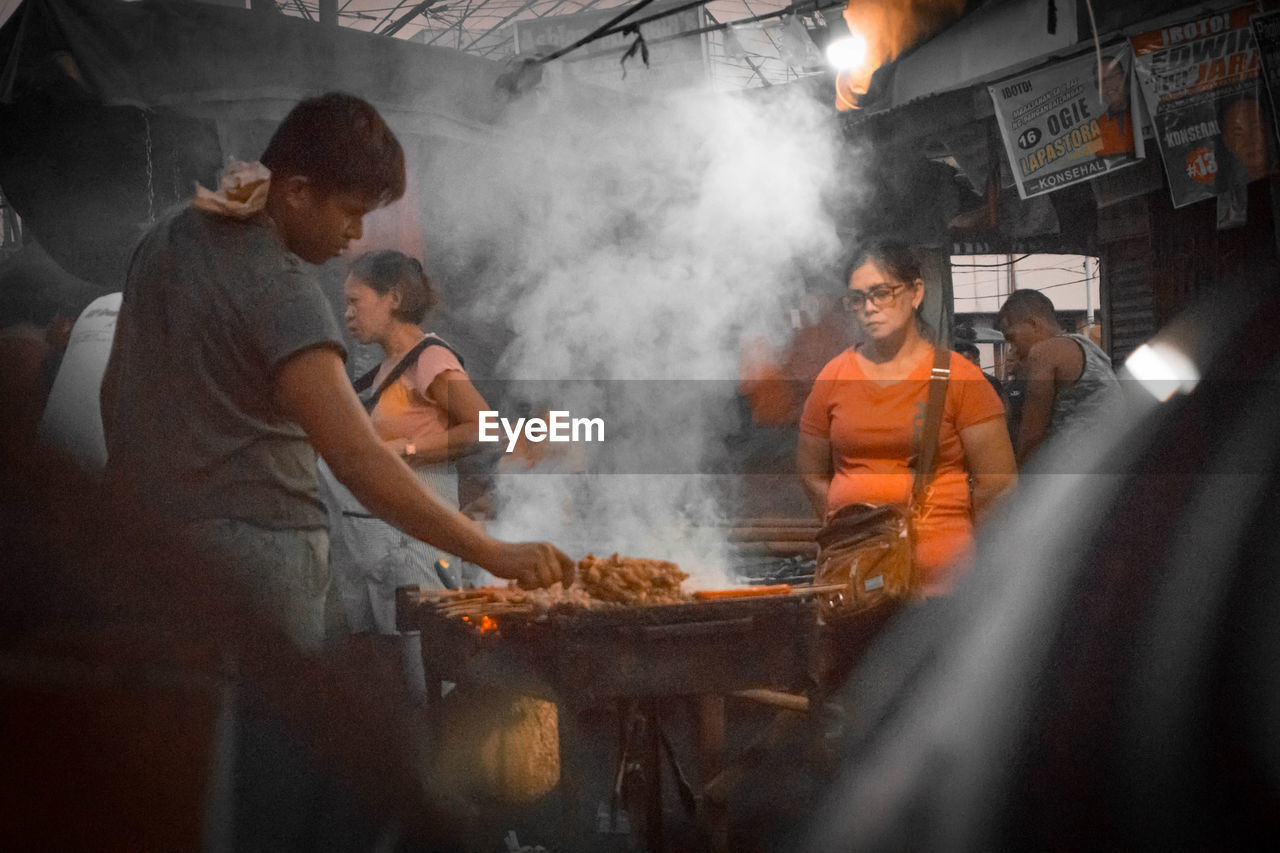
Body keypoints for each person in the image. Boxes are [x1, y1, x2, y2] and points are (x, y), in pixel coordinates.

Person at [100, 92, 573, 655]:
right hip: (258, 559)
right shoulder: (281, 288)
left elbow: (114, 396)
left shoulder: (166, 237)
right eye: (350, 212)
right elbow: (356, 458)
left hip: (140, 544)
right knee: (261, 737)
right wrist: (495, 553)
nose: (355, 236)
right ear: (297, 192)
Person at [797, 241, 1016, 596]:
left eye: (881, 293)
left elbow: (998, 486)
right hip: (852, 588)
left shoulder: (960, 379)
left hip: (941, 587)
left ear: (916, 293)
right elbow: (810, 473)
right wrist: (853, 527)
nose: (869, 308)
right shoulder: (832, 377)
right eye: (857, 299)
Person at [320, 249, 491, 674]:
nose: (347, 314)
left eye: (355, 301)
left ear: (392, 298)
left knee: (426, 671)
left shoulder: (431, 358)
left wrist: (406, 452)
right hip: (380, 550)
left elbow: (484, 427)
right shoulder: (384, 370)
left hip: (417, 548)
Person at [996, 288, 1123, 466]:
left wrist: (1017, 485)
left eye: (1012, 337)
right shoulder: (1086, 347)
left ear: (1033, 324)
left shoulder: (1045, 352)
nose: (1013, 347)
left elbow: (1032, 436)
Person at [1094, 55, 1136, 160]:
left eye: (1111, 76)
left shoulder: (1145, 108)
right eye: (1100, 81)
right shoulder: (1099, 126)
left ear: (1125, 77)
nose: (1107, 84)